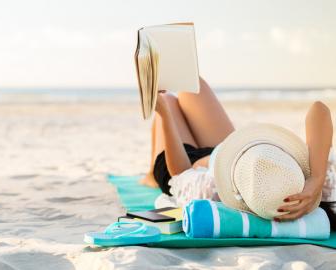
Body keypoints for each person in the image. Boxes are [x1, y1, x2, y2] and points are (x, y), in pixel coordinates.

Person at [140, 77, 335, 225]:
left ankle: (151, 173)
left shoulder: (212, 191)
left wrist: (164, 113)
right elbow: (319, 109)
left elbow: (180, 173)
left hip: (185, 161)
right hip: (229, 151)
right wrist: (315, 179)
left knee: (167, 101)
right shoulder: (285, 172)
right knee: (190, 84)